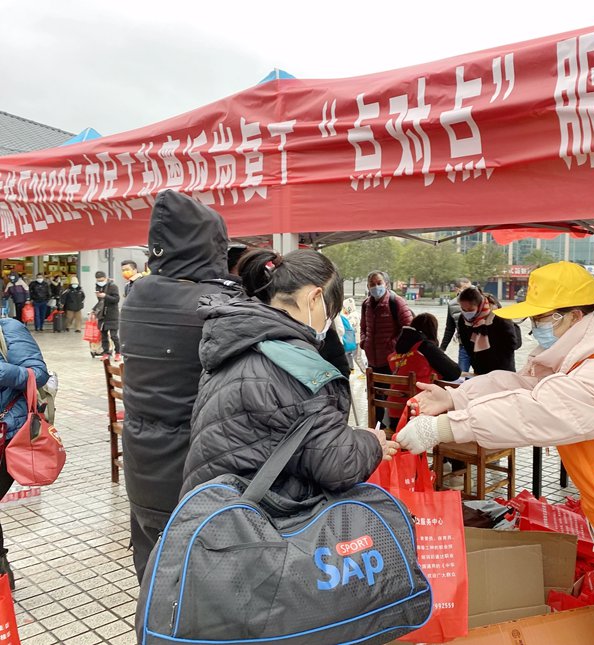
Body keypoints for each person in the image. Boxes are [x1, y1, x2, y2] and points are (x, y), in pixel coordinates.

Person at [397, 262, 594, 645]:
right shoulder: (586, 360)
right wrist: (454, 396)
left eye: (541, 318)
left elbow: (530, 412)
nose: (534, 328)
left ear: (574, 316)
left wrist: (443, 428)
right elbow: (523, 386)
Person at [181, 248, 396, 504]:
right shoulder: (293, 363)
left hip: (217, 503)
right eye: (330, 311)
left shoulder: (240, 338)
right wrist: (372, 443)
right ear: (315, 298)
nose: (327, 322)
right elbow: (338, 465)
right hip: (251, 521)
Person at [119, 190, 242, 582]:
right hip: (195, 474)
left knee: (153, 579)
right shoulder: (214, 306)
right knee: (196, 591)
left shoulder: (135, 296)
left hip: (143, 468)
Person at [0, 317, 49, 589]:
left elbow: (37, 373)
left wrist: (2, 371)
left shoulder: (7, 329)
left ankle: (2, 576)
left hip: (7, 435)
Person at [456, 287, 520, 374]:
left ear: (479, 305)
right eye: (463, 309)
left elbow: (512, 344)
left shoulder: (499, 316)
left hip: (502, 368)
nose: (466, 313)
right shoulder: (462, 319)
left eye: (470, 310)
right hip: (479, 368)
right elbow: (466, 344)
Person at [360, 270, 413, 375]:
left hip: (392, 360)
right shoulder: (366, 305)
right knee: (374, 390)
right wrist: (364, 342)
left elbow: (409, 328)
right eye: (372, 284)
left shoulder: (396, 302)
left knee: (390, 390)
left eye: (379, 283)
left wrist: (393, 345)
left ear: (386, 284)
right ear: (368, 286)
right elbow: (363, 327)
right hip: (372, 361)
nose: (376, 286)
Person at [388, 313, 461, 385]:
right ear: (432, 330)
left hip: (394, 396)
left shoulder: (397, 350)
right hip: (421, 395)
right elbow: (455, 373)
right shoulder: (425, 347)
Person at [441, 277, 473, 373]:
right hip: (464, 346)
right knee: (462, 376)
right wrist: (442, 348)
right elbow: (449, 329)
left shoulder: (480, 302)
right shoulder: (452, 305)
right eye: (465, 288)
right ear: (457, 289)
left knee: (482, 376)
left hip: (481, 346)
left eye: (470, 288)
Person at [92, 271, 120, 359]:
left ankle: (118, 353)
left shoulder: (112, 286)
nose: (100, 281)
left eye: (101, 280)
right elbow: (100, 302)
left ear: (105, 278)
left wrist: (105, 296)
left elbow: (116, 299)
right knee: (103, 335)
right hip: (102, 315)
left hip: (112, 314)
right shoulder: (98, 286)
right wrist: (94, 310)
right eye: (98, 280)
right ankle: (106, 353)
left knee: (113, 336)